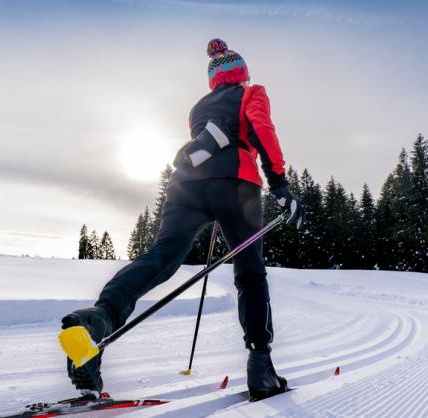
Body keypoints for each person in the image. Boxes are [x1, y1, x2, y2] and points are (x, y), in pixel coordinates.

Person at [61, 38, 305, 402]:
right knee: (250, 274)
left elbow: (207, 145)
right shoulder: (251, 92)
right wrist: (281, 185)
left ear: (212, 79)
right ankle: (260, 366)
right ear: (242, 71)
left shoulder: (198, 108)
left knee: (161, 258)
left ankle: (99, 318)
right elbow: (260, 128)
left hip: (186, 186)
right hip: (236, 186)